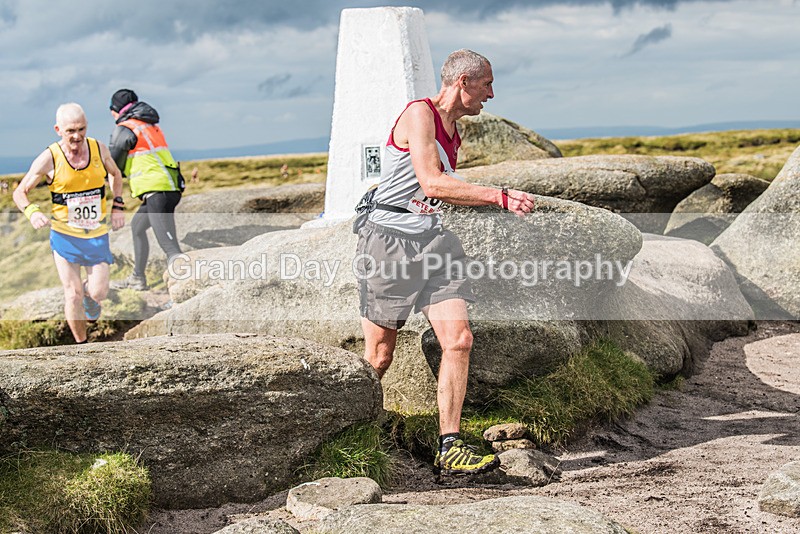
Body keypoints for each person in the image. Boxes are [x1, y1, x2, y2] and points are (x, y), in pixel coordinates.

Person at [356, 49, 535, 477]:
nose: (491, 94)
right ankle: (353, 435)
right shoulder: (419, 114)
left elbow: (439, 194)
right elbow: (432, 183)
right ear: (463, 82)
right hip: (388, 244)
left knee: (459, 341)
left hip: (433, 242)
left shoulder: (455, 131)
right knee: (379, 357)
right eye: (487, 84)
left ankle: (449, 446)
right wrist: (499, 196)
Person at [13, 103, 125, 344]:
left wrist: (117, 204)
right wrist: (32, 212)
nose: (77, 136)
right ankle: (81, 345)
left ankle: (89, 294)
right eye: (70, 131)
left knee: (99, 292)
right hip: (65, 235)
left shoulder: (98, 149)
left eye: (81, 129)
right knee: (72, 294)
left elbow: (116, 174)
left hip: (96, 234)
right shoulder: (50, 157)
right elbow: (20, 192)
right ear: (58, 130)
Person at [108, 89, 183, 291]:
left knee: (170, 247)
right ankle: (137, 278)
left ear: (116, 110)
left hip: (157, 190)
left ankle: (184, 290)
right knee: (137, 227)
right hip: (168, 186)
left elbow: (112, 162)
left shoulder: (125, 129)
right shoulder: (149, 125)